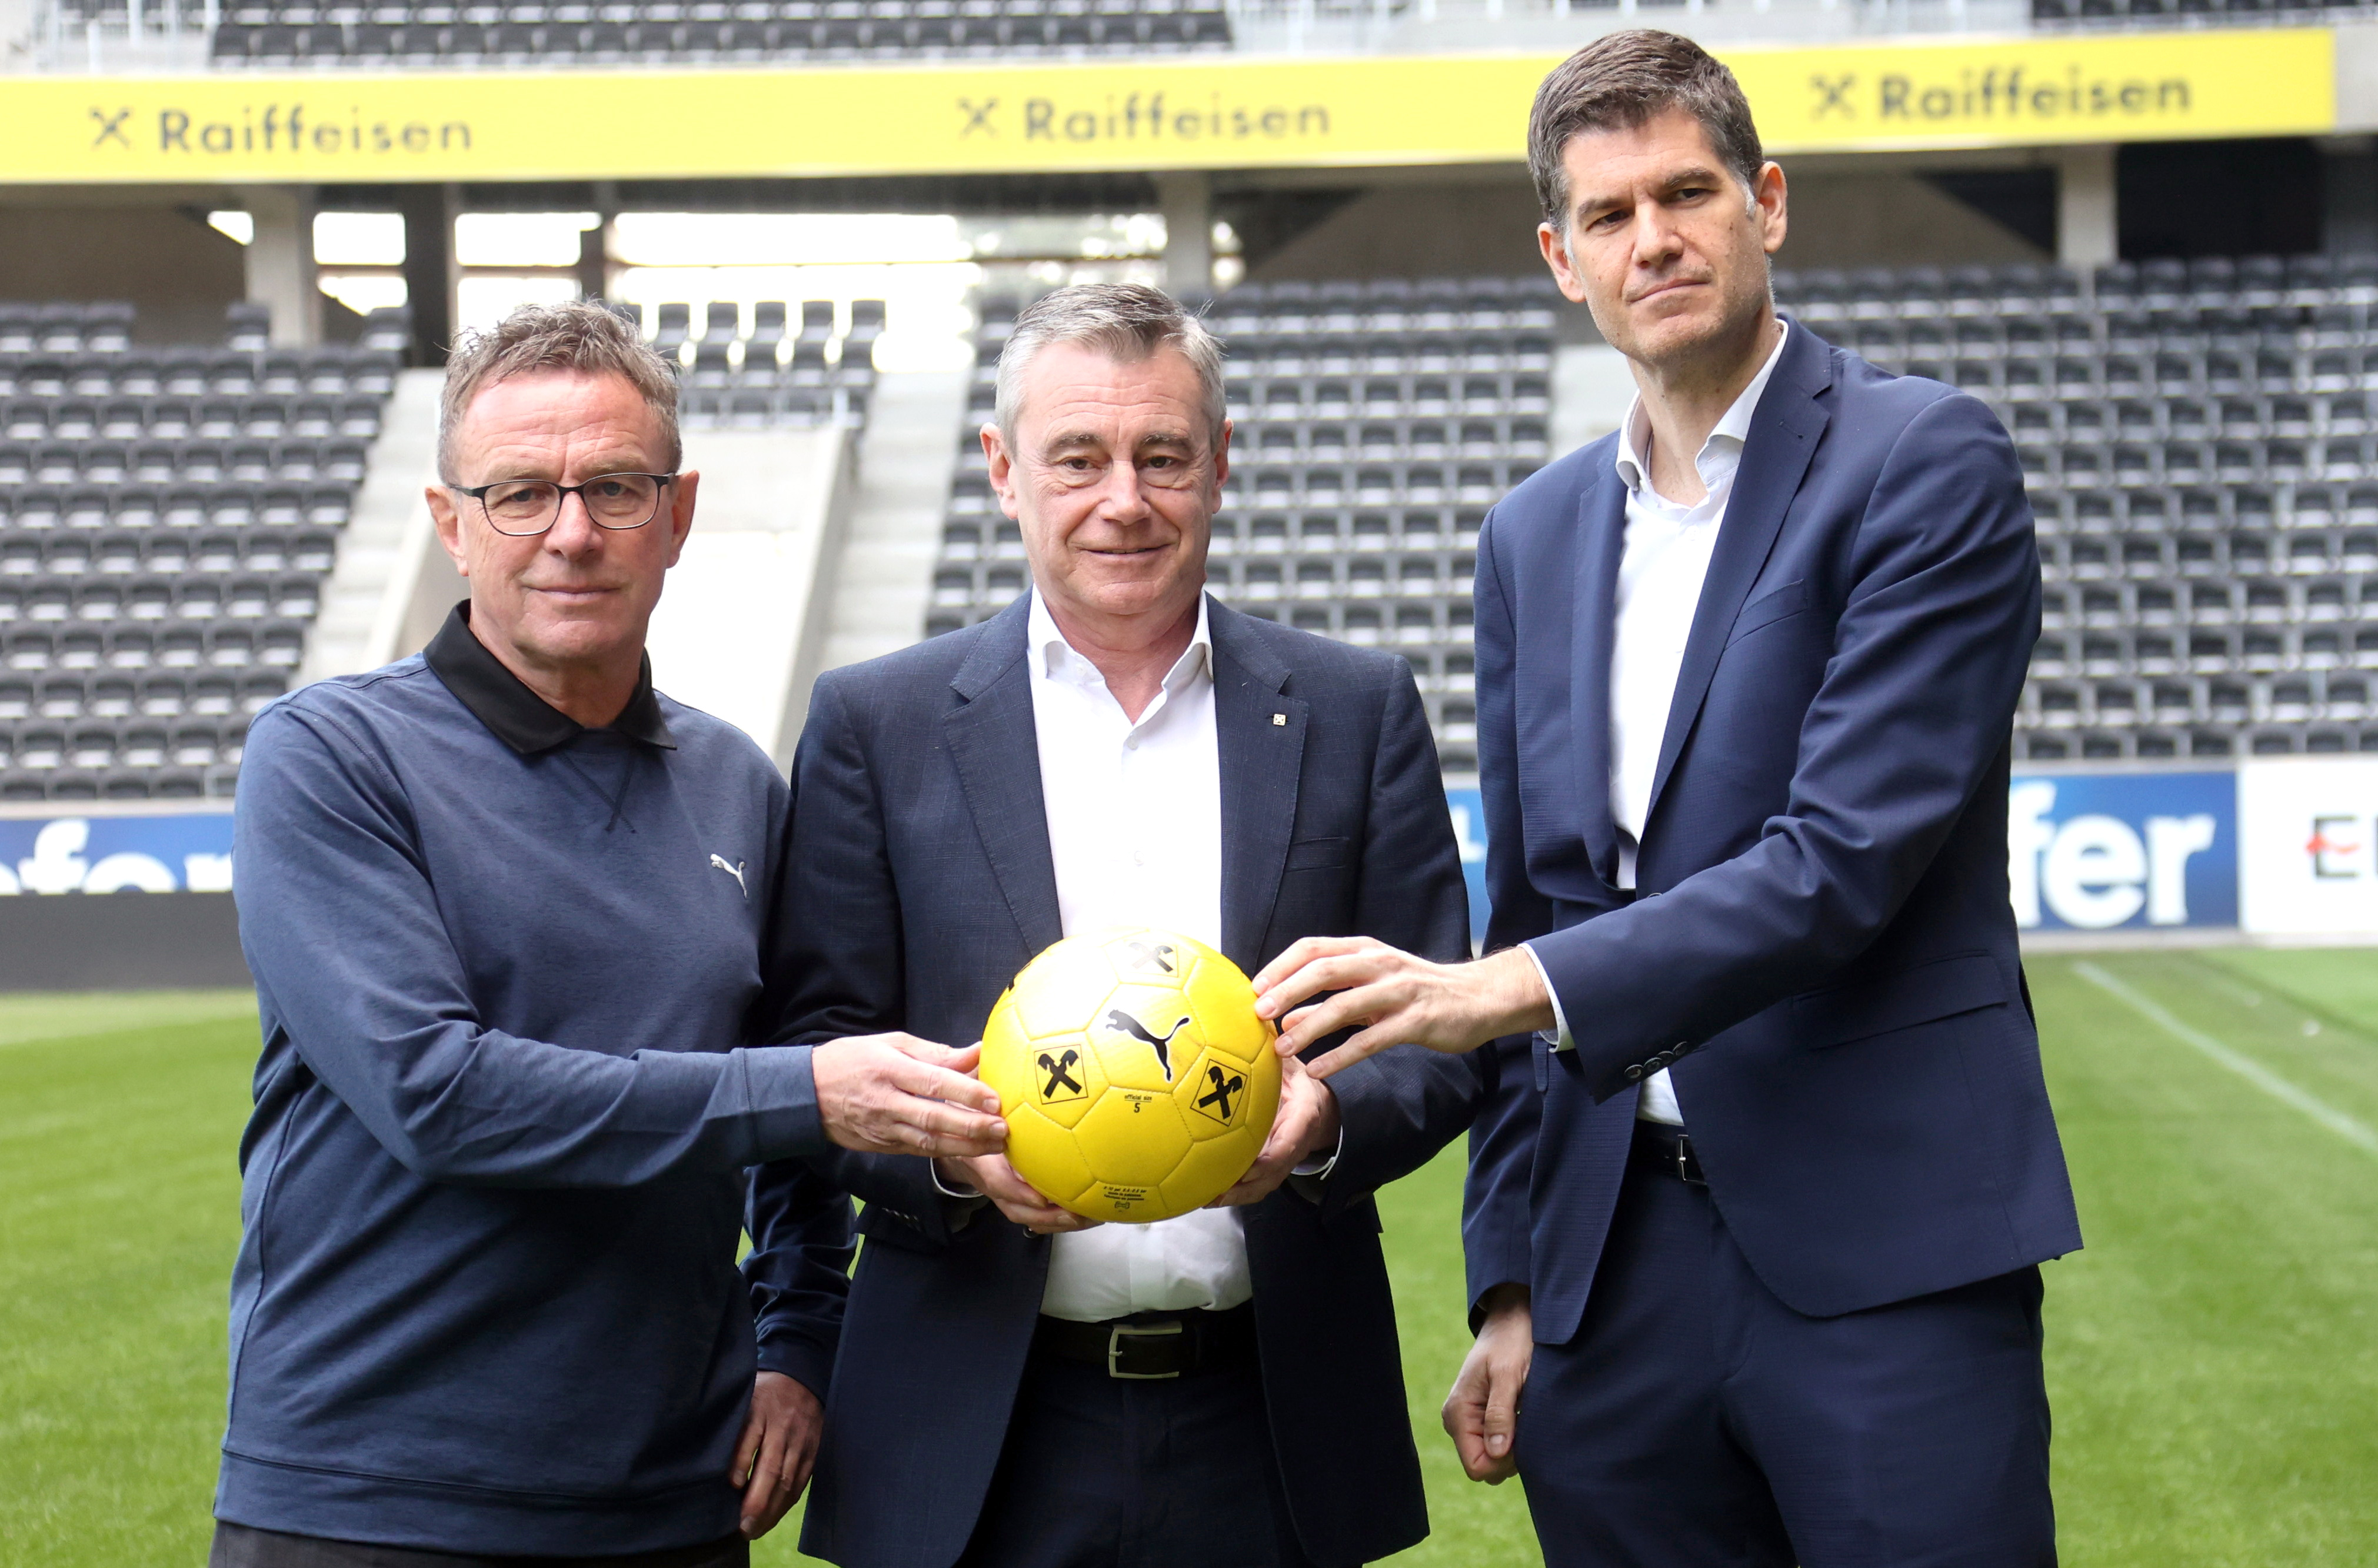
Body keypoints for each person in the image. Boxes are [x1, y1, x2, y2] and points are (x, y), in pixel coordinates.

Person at [1251, 32, 2081, 1568]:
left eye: (1687, 191)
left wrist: (1499, 989)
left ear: (1764, 201)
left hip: (1884, 1256)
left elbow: (1842, 859)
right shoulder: (1533, 535)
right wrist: (1507, 1279)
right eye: (1613, 214)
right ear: (1563, 260)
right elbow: (1533, 901)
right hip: (1610, 1274)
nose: (1657, 238)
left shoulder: (1925, 461)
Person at [214, 301, 1007, 1568]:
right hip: (367, 1493)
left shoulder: (736, 782)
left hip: (671, 1500)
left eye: (615, 489)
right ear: (449, 521)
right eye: (521, 492)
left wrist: (797, 1338)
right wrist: (802, 1088)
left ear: (677, 515)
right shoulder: (327, 756)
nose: (571, 533)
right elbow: (435, 1092)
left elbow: (798, 1111)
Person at [762, 282, 1490, 1568]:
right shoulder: (877, 724)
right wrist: (946, 1157)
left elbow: (1440, 1032)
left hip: (1266, 1418)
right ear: (1001, 470)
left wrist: (1322, 1132)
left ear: (1218, 464)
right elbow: (815, 1041)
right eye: (1078, 458)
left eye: (1162, 456)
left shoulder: (1353, 706)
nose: (1124, 499)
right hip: (971, 1425)